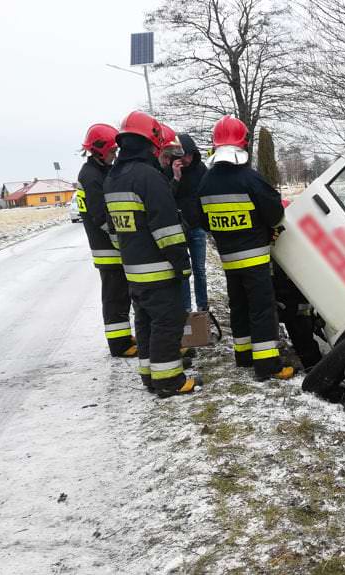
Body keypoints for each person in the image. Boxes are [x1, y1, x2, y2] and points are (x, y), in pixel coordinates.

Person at [104, 110, 199, 398]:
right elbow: (167, 229)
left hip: (133, 269)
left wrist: (131, 255)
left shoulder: (113, 178)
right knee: (167, 322)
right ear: (152, 143)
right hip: (159, 268)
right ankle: (169, 380)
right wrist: (182, 264)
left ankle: (149, 374)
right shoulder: (149, 177)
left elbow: (113, 230)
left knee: (145, 322)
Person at [196, 115, 293, 381]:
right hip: (254, 258)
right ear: (243, 143)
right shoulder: (250, 179)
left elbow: (203, 221)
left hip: (228, 259)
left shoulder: (205, 183)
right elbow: (275, 214)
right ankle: (267, 365)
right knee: (261, 309)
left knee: (238, 306)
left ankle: (244, 355)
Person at [77, 123, 137, 358]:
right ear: (99, 149)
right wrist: (120, 240)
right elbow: (101, 216)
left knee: (120, 296)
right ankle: (119, 344)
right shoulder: (91, 176)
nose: (115, 154)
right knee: (115, 297)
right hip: (107, 249)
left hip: (108, 247)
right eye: (112, 151)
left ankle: (123, 337)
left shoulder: (97, 171)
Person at [171, 133, 210, 313]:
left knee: (199, 270)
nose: (187, 159)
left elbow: (208, 195)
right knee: (183, 271)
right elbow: (165, 197)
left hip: (197, 227)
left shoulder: (201, 169)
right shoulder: (170, 170)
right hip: (178, 229)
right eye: (183, 155)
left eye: (190, 155)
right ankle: (185, 309)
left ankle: (203, 307)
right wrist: (176, 177)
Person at [273, 264, 322, 371]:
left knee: (303, 337)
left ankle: (313, 366)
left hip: (296, 303)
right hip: (290, 302)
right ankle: (313, 366)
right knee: (302, 336)